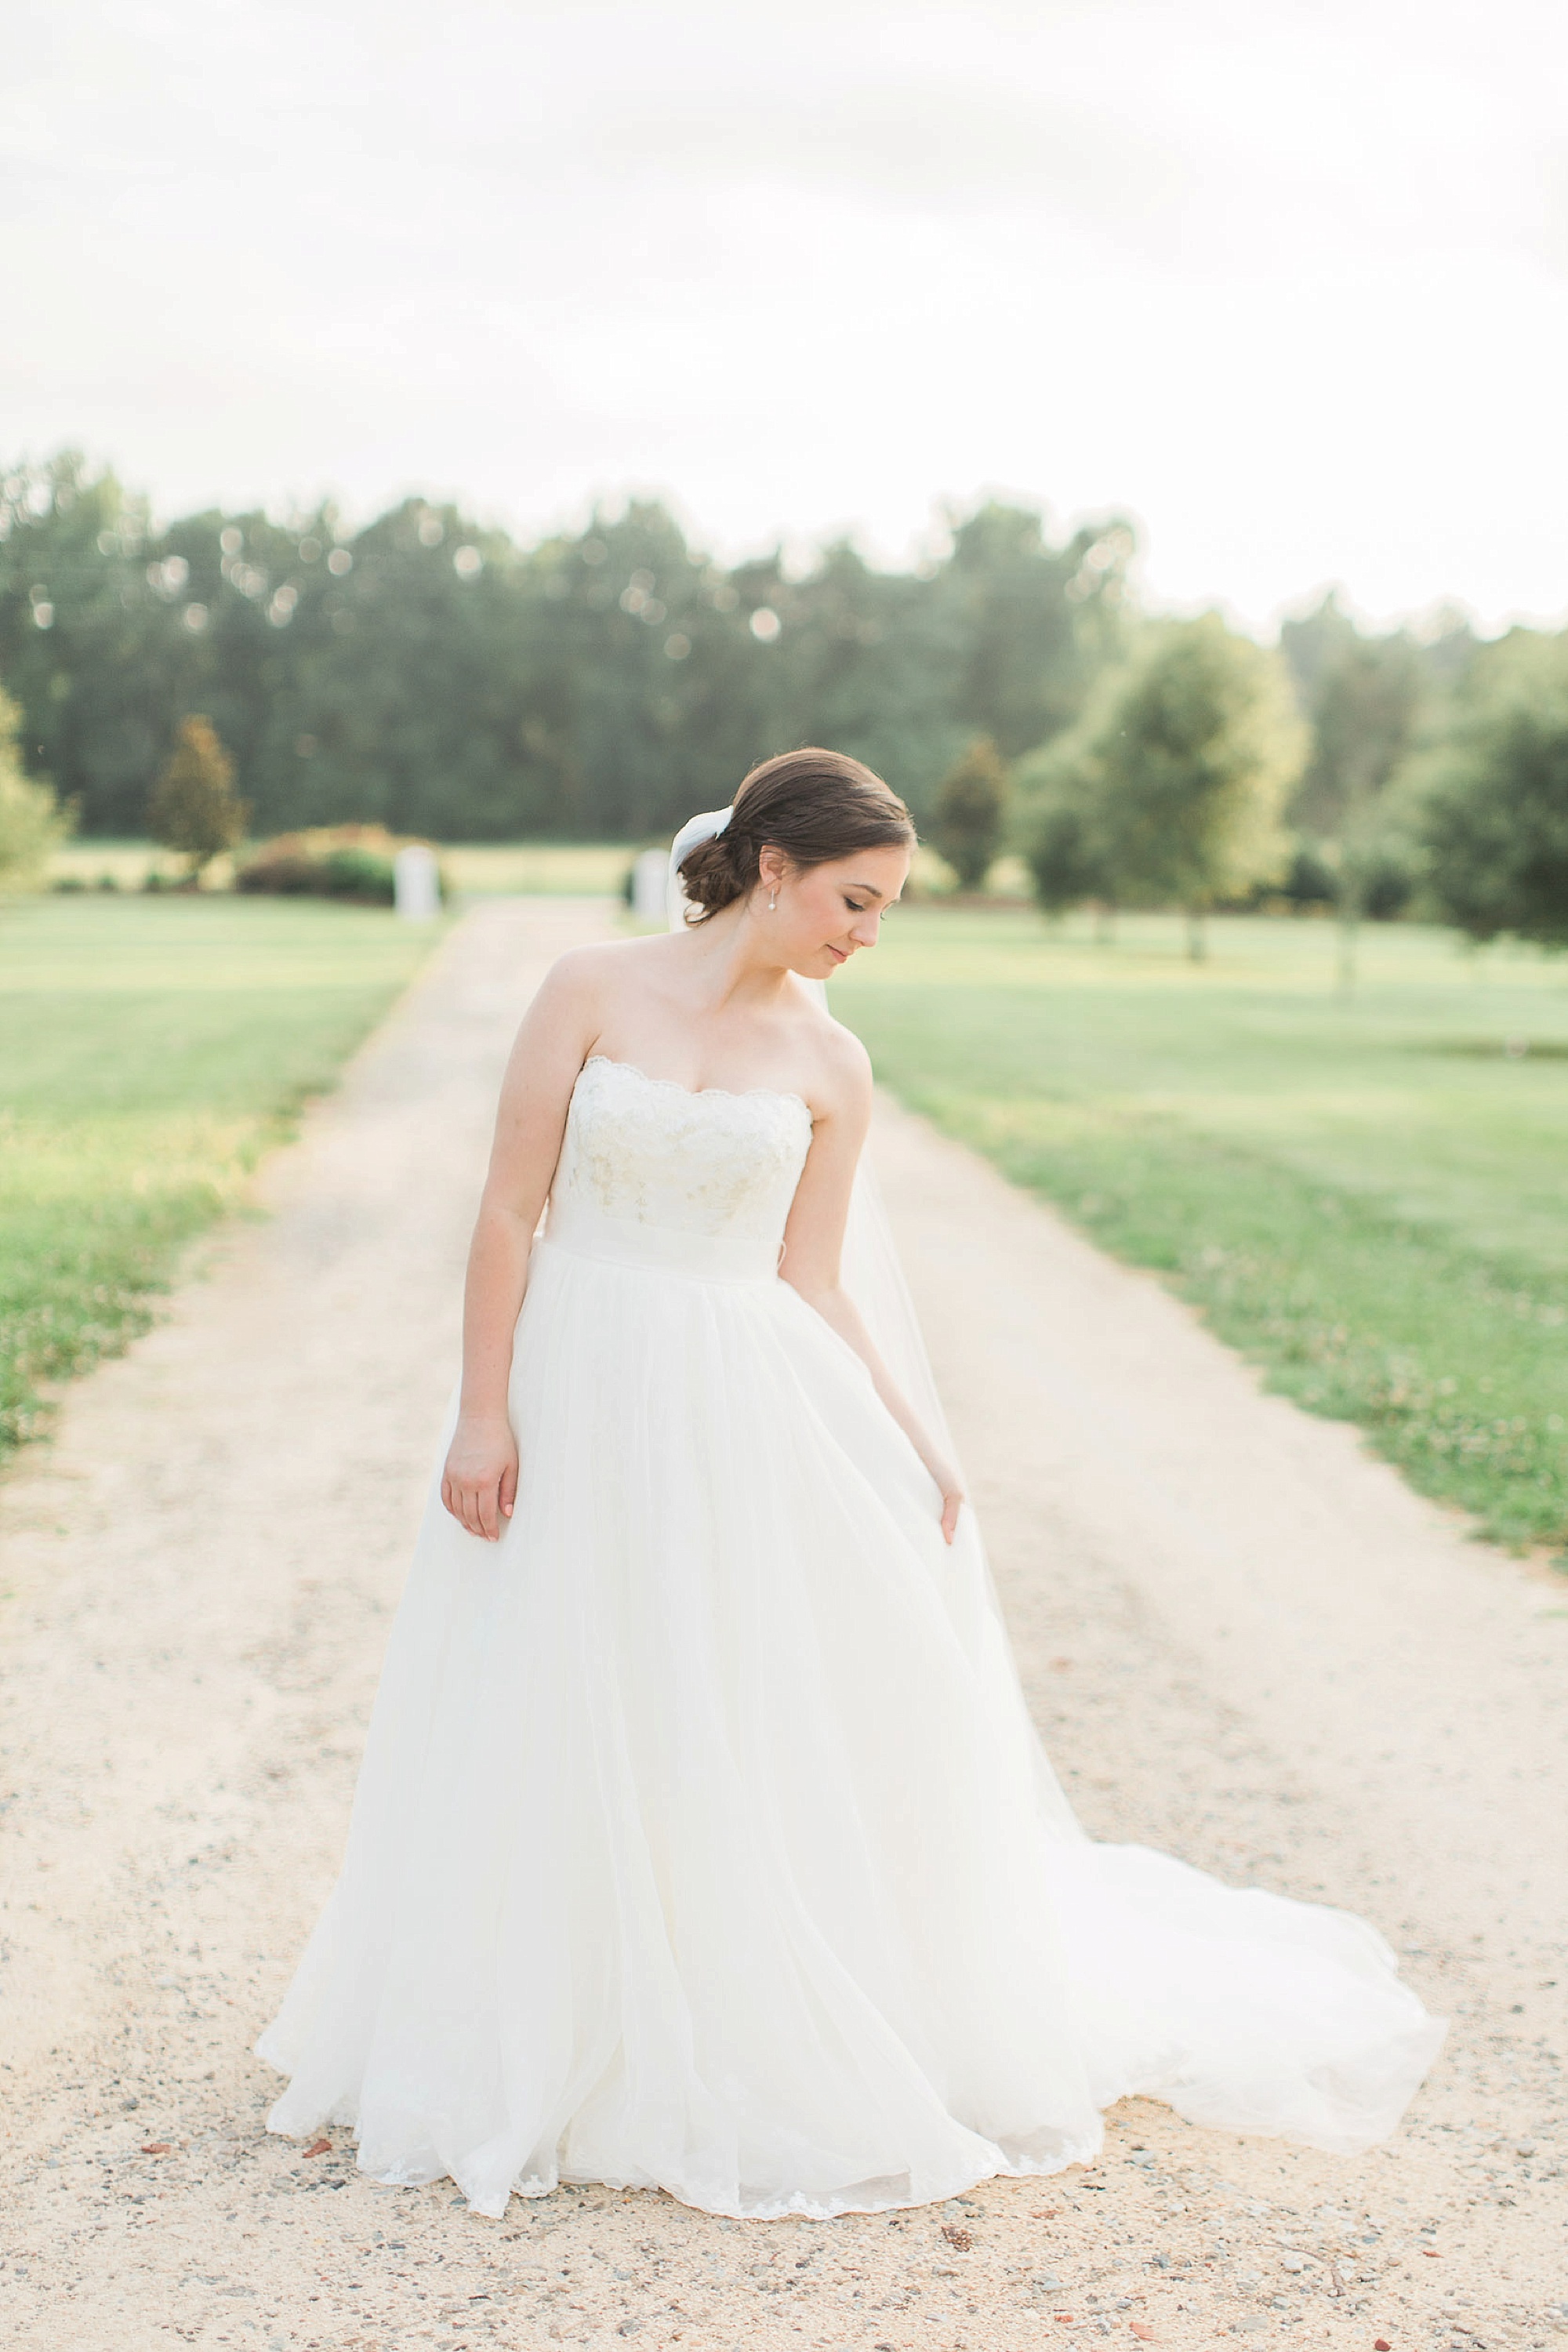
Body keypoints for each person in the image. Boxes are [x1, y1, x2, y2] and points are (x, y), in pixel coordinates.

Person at [259, 747, 1444, 2223]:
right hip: (579, 1370)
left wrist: (913, 1436)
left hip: (734, 1392)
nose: (866, 936)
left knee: (721, 1693)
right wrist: (482, 1414)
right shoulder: (586, 989)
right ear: (772, 867)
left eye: (884, 911)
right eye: (856, 900)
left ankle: (706, 2011)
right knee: (558, 1680)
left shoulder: (833, 1065)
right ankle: (541, 2023)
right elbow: (510, 1207)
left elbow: (811, 1277)